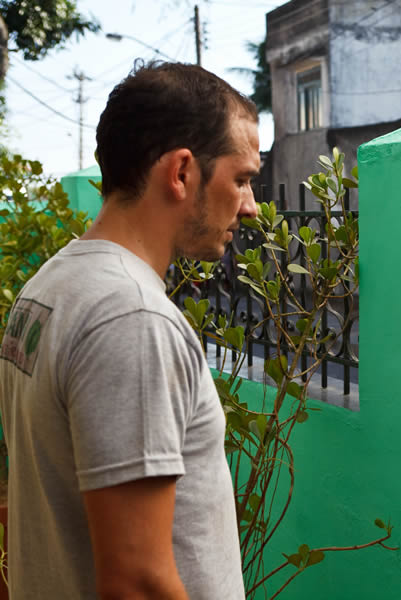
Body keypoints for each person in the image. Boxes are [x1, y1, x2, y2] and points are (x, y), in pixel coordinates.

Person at [0, 62, 260, 598]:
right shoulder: (131, 318)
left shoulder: (50, 286)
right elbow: (137, 582)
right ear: (182, 172)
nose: (251, 207)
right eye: (240, 179)